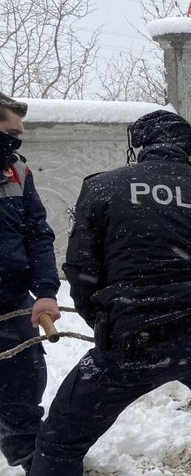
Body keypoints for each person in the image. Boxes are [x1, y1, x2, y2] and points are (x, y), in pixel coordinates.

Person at [30, 110, 191, 476]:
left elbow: (81, 272)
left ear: (140, 149)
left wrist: (105, 324)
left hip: (132, 340)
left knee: (59, 440)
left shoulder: (102, 187)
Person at [0, 94, 61, 475]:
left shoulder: (17, 171)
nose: (16, 143)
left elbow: (38, 234)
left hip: (11, 301)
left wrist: (46, 291)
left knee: (23, 387)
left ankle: (30, 462)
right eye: (9, 133)